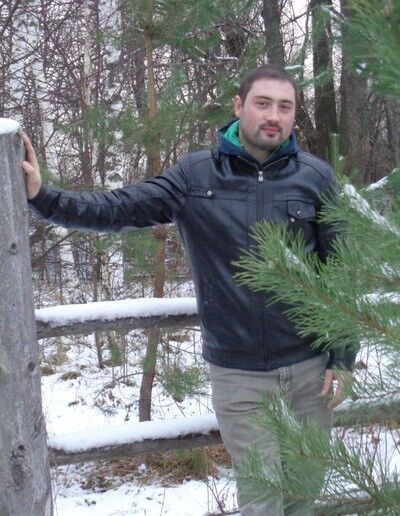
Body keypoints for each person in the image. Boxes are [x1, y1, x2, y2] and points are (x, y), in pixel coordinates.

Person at [22, 64, 355, 515]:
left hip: (310, 371)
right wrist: (44, 198)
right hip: (239, 377)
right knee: (262, 501)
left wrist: (342, 358)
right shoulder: (196, 176)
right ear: (238, 106)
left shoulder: (316, 178)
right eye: (263, 103)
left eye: (285, 106)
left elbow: (341, 273)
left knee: (304, 496)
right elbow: (119, 208)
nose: (273, 116)